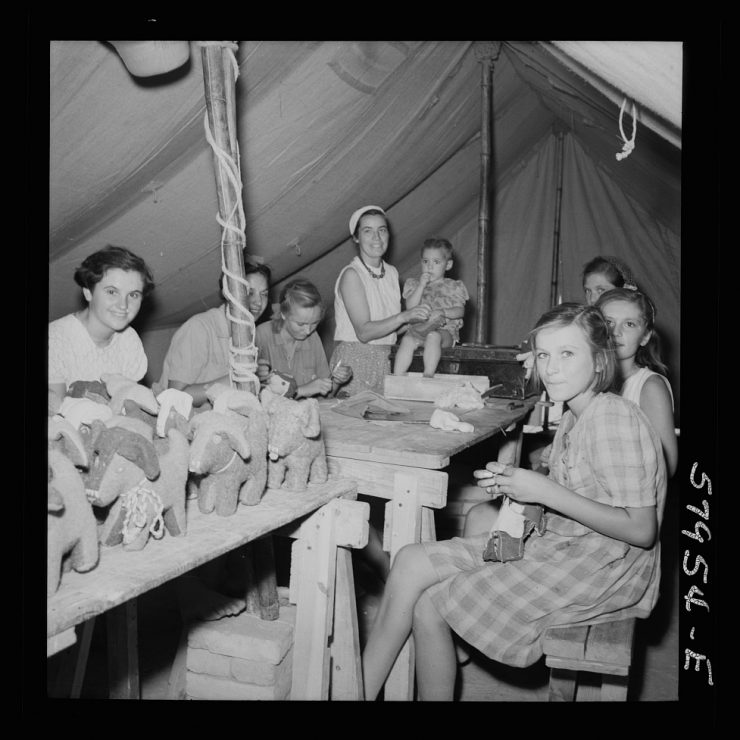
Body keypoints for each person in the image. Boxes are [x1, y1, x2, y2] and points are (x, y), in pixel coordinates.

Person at [361, 302, 666, 701]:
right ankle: (357, 693)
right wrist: (515, 487)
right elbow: (573, 494)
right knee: (409, 559)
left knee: (432, 604)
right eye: (544, 355)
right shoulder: (576, 414)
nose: (552, 368)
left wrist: (543, 492)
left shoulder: (614, 418)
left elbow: (642, 530)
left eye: (567, 354)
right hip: (564, 543)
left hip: (604, 566)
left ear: (598, 360)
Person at [329, 205, 432, 396]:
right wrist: (404, 316)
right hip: (353, 364)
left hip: (385, 359)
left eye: (382, 230)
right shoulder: (352, 274)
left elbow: (390, 329)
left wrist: (420, 321)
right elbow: (364, 332)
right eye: (368, 231)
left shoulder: (392, 273)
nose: (377, 238)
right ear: (356, 238)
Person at [48, 245, 155, 407]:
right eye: (112, 292)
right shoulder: (55, 339)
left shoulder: (129, 338)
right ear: (88, 292)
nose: (123, 305)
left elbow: (130, 403)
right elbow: (56, 413)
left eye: (133, 295)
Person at [158, 259, 272, 408]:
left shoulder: (249, 332)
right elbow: (176, 396)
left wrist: (256, 374)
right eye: (249, 293)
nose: (259, 302)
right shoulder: (199, 328)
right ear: (227, 292)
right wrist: (237, 378)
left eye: (264, 294)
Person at [596, 287, 678, 476]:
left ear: (645, 336)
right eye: (608, 322)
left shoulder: (650, 387)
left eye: (629, 324)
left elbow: (668, 466)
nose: (615, 332)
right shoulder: (589, 382)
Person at [255, 277, 352, 398]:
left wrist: (336, 380)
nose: (308, 331)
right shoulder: (261, 335)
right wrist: (302, 390)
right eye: (300, 324)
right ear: (283, 314)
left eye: (314, 323)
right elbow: (254, 397)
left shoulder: (313, 337)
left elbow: (326, 395)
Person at [393, 238, 469, 378]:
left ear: (448, 265)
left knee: (433, 336)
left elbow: (460, 311)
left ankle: (428, 374)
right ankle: (398, 376)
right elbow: (410, 307)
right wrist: (421, 286)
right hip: (419, 330)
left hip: (444, 332)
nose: (430, 267)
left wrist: (443, 312)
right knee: (407, 340)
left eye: (436, 262)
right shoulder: (414, 284)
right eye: (425, 261)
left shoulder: (453, 286)